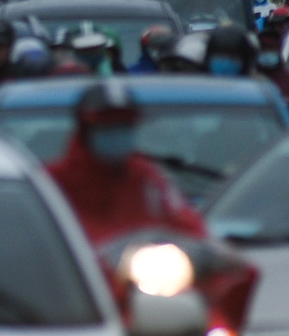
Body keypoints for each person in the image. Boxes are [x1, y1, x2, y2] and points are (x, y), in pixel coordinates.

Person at [43, 79, 209, 246]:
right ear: (86, 130)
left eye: (124, 125)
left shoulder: (147, 178)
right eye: (107, 126)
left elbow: (187, 225)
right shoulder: (51, 183)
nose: (116, 133)